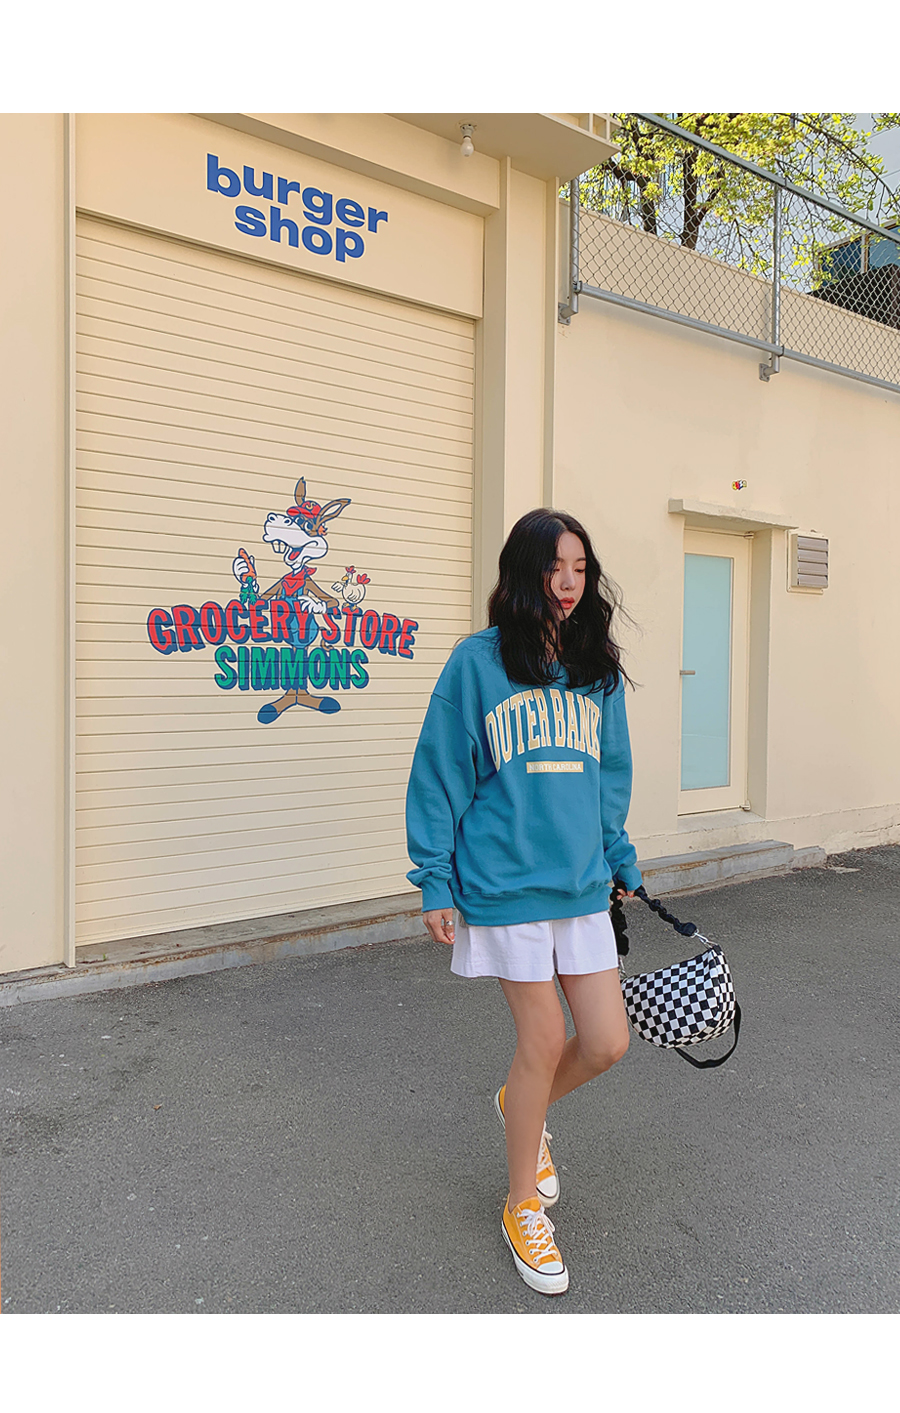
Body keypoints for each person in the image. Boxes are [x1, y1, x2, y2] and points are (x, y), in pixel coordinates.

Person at [405, 508, 641, 1297]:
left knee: (605, 1041)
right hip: (504, 884)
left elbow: (610, 773)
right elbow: (440, 771)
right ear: (523, 571)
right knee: (542, 1037)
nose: (568, 582)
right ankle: (520, 1206)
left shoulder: (595, 666)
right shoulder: (476, 664)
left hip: (579, 884)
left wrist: (619, 856)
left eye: (580, 567)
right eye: (554, 566)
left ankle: (521, 1106)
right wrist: (434, 878)